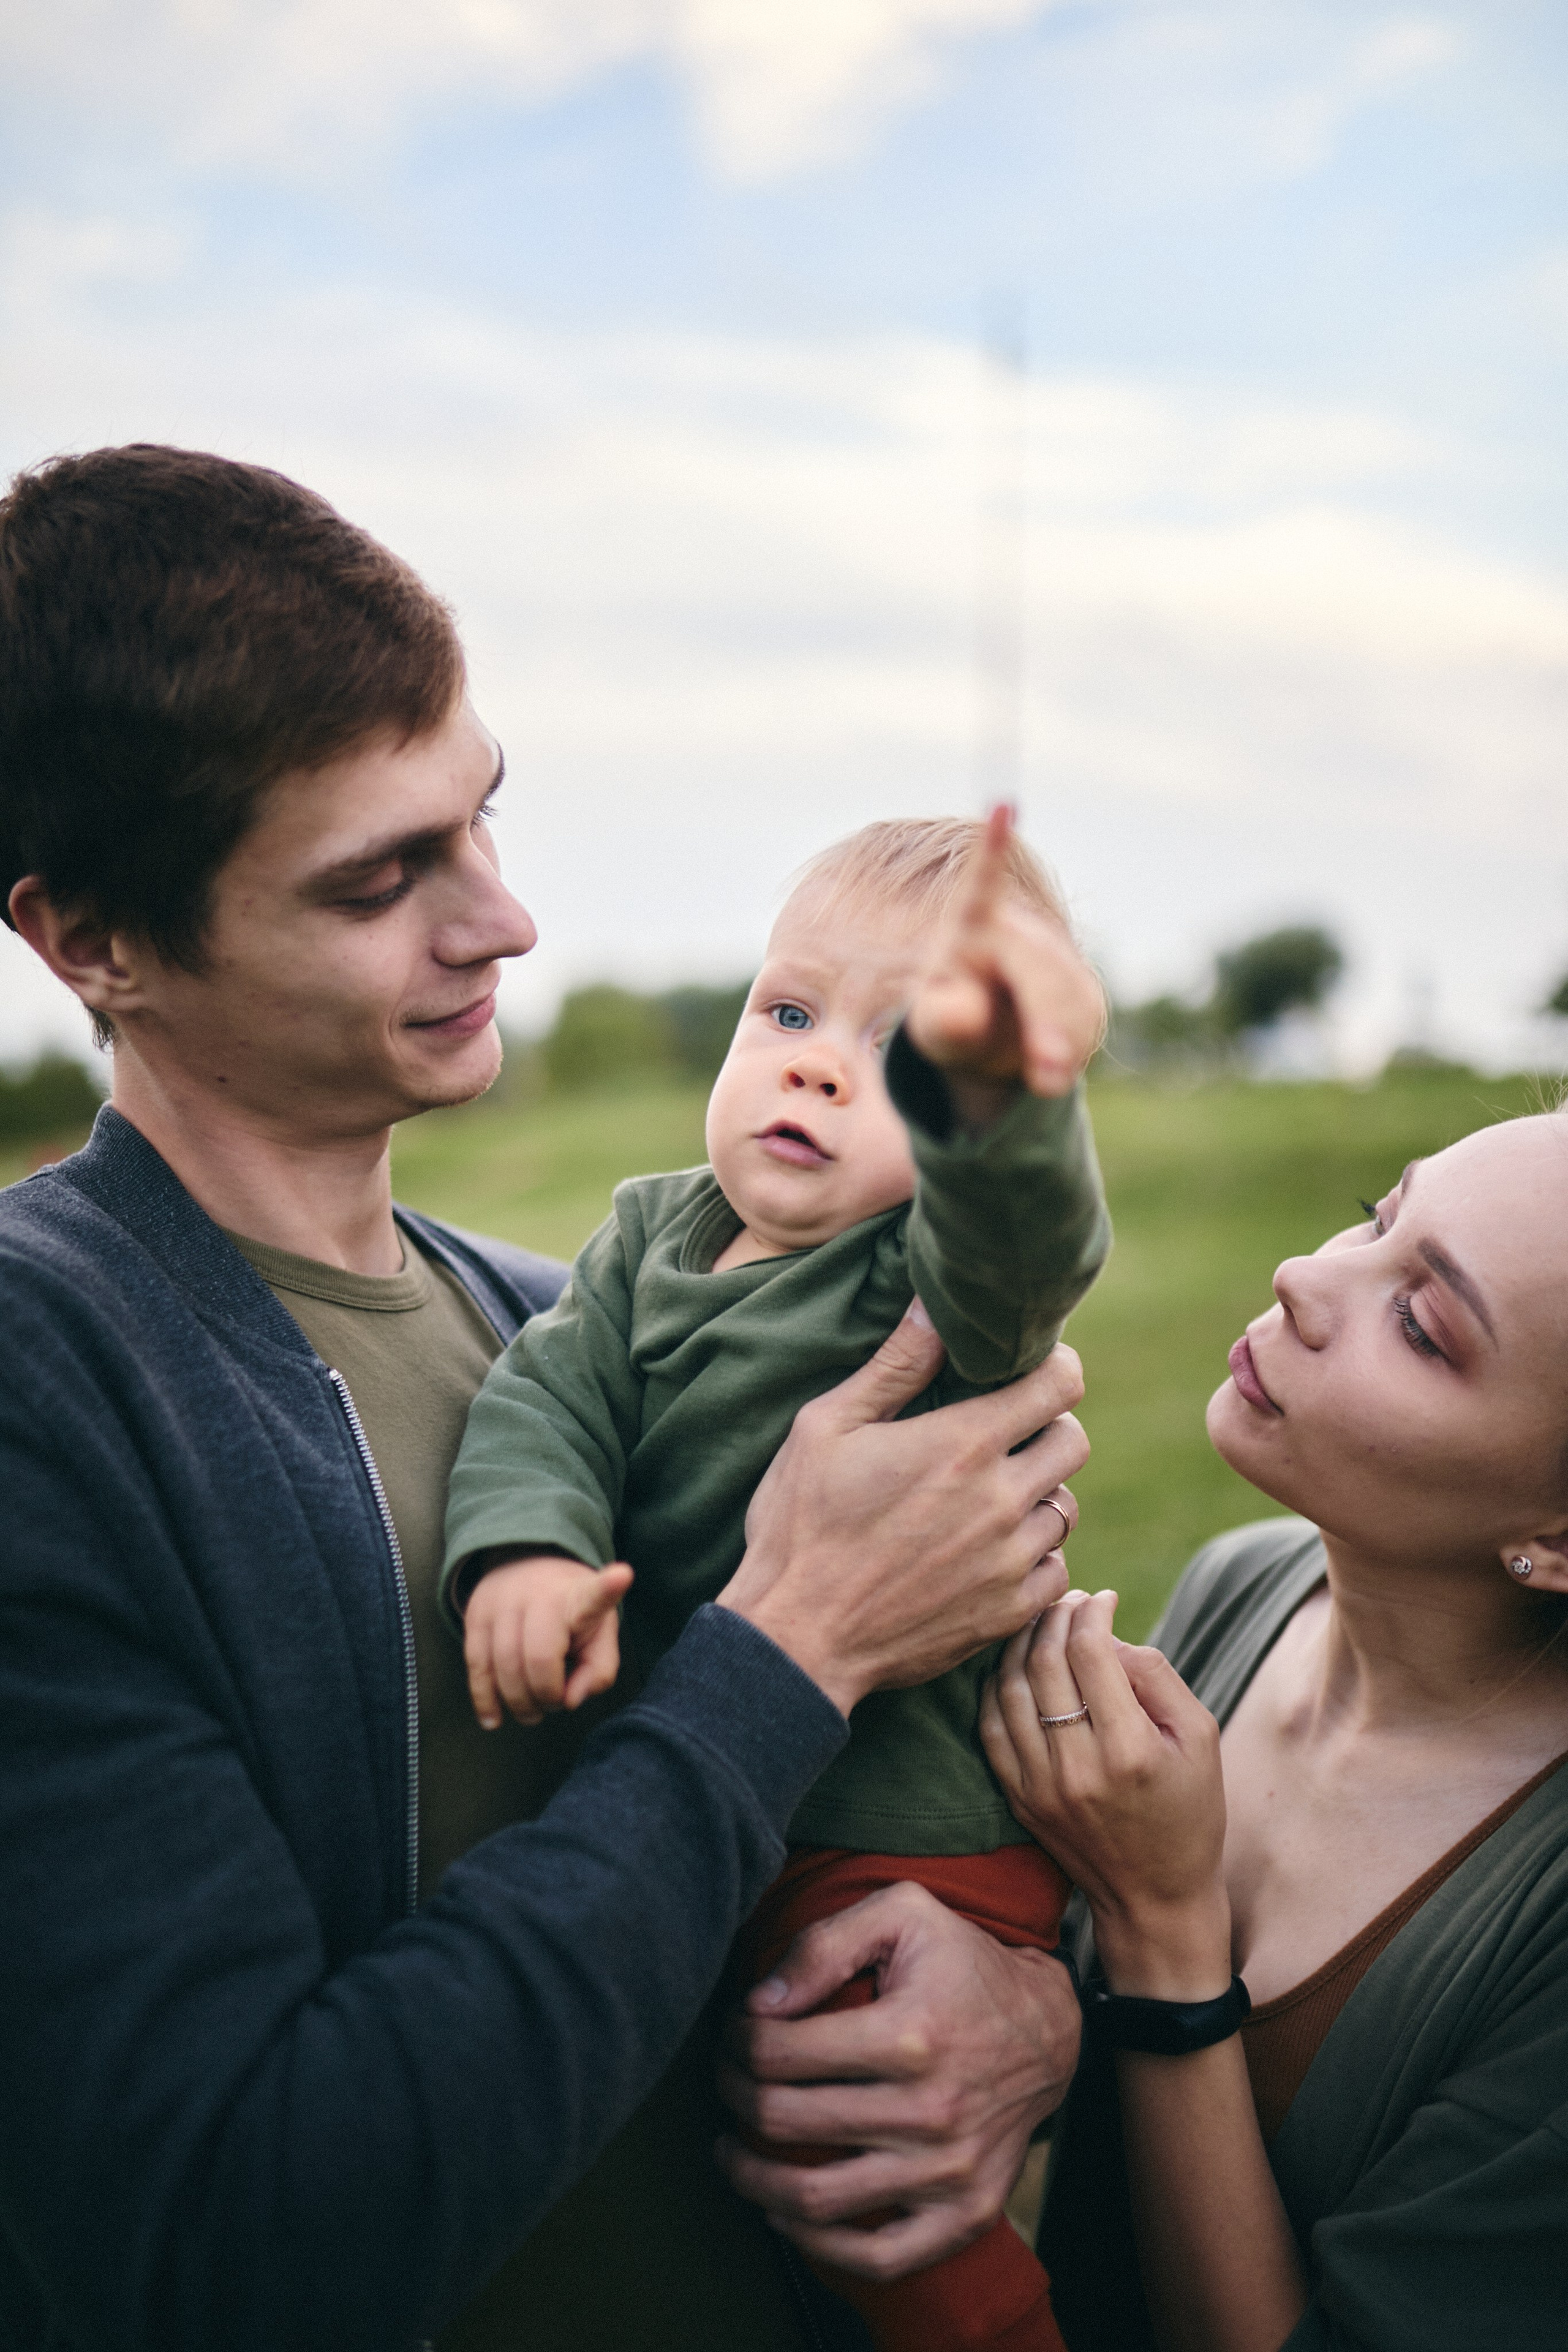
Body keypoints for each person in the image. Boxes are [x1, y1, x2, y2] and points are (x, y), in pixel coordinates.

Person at [0, 443, 1086, 2352]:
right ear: (91, 943)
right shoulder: (55, 1387)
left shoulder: (562, 1321)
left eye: (482, 815)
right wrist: (792, 1641)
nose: (501, 921)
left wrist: (1027, 1994)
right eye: (380, 878)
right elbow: (239, 2242)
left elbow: (897, 1804)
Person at [440, 808, 1110, 2352]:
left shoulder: (933, 1283)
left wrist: (1005, 1105)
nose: (812, 1063)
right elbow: (549, 1402)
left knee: (873, 2201)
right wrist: (529, 1550)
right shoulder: (643, 1236)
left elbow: (1029, 1232)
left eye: (898, 1051)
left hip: (888, 1852)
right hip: (726, 1795)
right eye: (788, 1011)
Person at [973, 1112, 1568, 2350]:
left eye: (1421, 1324)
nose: (1303, 1277)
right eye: (1376, 1217)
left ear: (1553, 1540)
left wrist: (1162, 1933)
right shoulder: (1241, 1586)